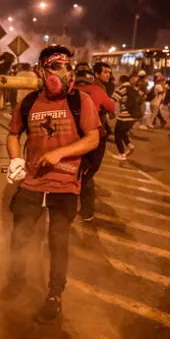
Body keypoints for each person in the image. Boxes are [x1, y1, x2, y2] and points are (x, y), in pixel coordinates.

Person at [1, 45, 100, 323]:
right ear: (41, 71)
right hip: (31, 183)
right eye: (56, 67)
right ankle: (16, 280)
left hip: (66, 184)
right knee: (19, 235)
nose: (64, 73)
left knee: (58, 241)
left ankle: (54, 295)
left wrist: (60, 153)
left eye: (67, 67)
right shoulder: (30, 102)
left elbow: (93, 138)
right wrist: (16, 160)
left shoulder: (81, 101)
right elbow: (12, 134)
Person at [74, 62, 115, 221]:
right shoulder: (97, 90)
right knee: (87, 174)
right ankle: (87, 211)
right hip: (94, 138)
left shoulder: (68, 90)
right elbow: (112, 108)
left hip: (73, 138)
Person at [112, 73, 144, 160]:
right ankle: (130, 145)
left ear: (121, 81)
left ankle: (121, 154)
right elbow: (142, 96)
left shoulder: (122, 88)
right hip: (134, 116)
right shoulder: (134, 88)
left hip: (124, 116)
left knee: (117, 134)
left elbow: (113, 99)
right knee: (123, 132)